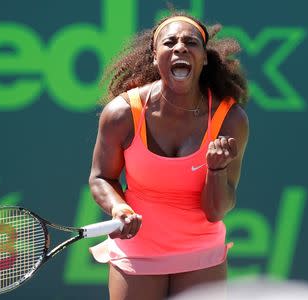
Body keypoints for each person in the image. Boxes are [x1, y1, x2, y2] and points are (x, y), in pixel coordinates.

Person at [88, 11, 249, 300]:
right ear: (154, 56)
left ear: (204, 58)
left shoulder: (230, 119)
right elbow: (102, 177)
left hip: (202, 252)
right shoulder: (121, 114)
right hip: (138, 249)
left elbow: (216, 211)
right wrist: (119, 208)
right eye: (170, 42)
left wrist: (216, 170)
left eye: (191, 42)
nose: (180, 48)